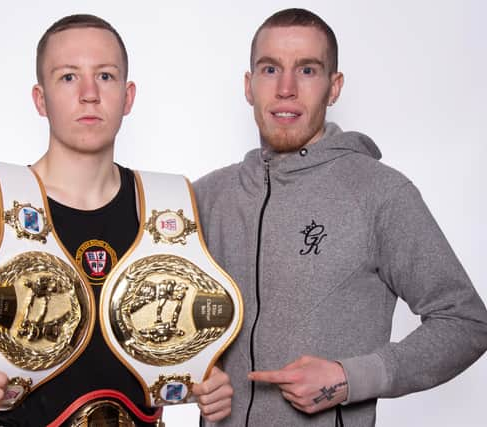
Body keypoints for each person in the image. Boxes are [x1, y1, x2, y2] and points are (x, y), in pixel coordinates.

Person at [0, 14, 232, 427]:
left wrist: (208, 385)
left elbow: (181, 341)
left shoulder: (169, 205)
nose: (89, 94)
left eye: (105, 76)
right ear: (40, 98)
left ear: (128, 96)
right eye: (68, 77)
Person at [193, 8, 487, 427]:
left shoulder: (381, 193)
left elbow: (465, 322)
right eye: (270, 68)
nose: (287, 88)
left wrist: (347, 379)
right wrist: (194, 380)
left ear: (334, 87)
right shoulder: (205, 197)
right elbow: (170, 333)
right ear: (249, 85)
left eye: (308, 70)